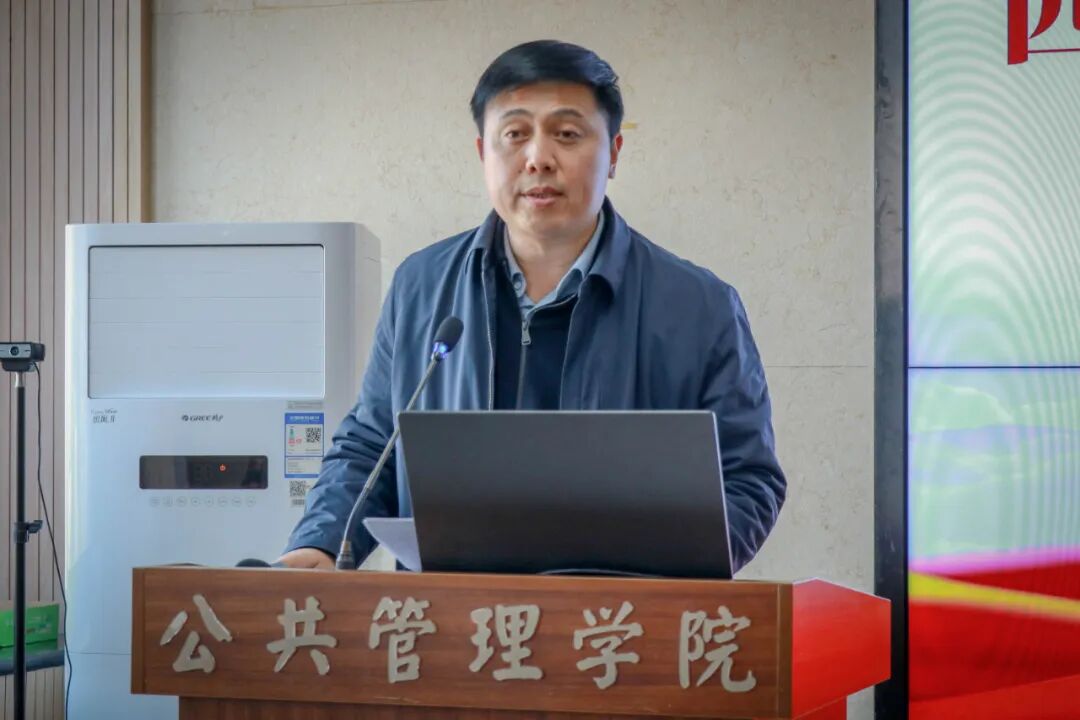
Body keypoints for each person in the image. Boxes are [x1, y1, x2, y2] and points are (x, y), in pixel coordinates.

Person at [278, 40, 785, 573]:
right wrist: (318, 544)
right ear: (483, 153)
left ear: (613, 153)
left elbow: (748, 478)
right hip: (449, 615)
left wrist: (660, 573)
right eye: (515, 134)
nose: (538, 158)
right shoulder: (421, 286)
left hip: (617, 614)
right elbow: (372, 447)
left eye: (567, 134)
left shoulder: (699, 305)